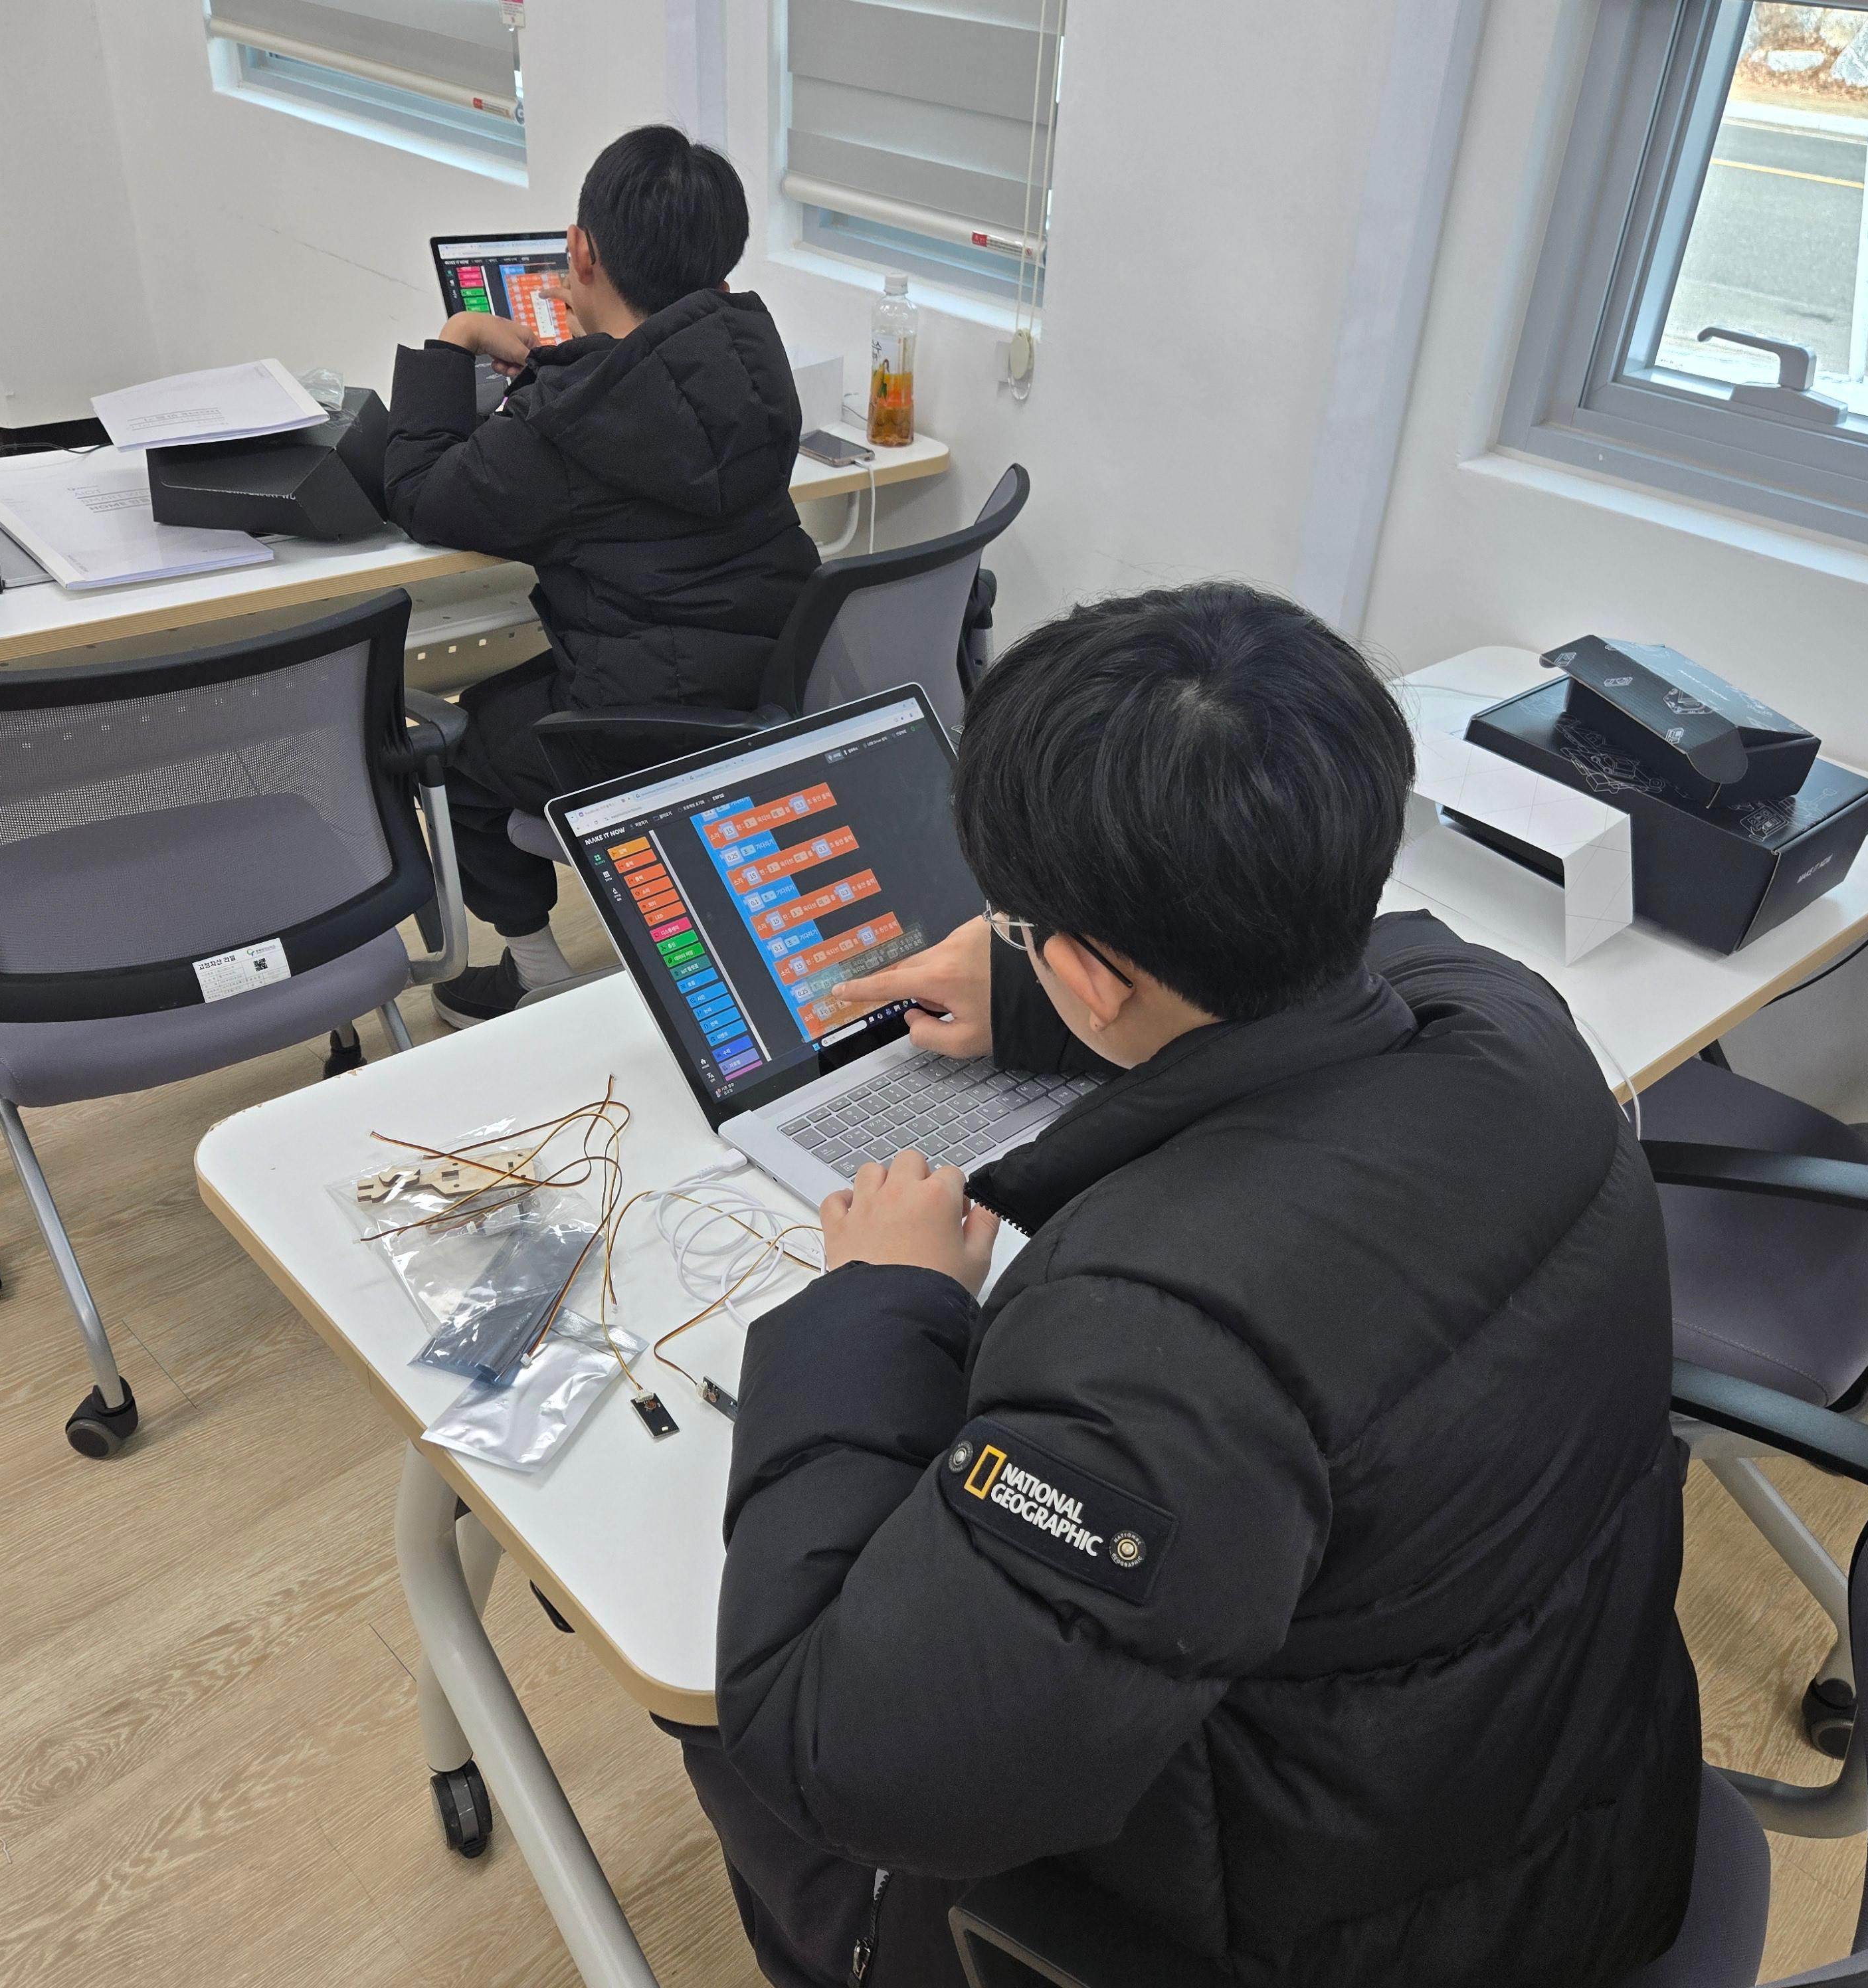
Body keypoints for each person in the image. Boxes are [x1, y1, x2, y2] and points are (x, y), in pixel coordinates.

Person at [676, 582, 1702, 1988]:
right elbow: (1374, 964)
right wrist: (1038, 989)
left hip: (1364, 1941)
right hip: (1573, 1811)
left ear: (1093, 971)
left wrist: (882, 1306)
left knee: (704, 1715)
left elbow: (851, 1760)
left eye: (1024, 935)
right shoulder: (1510, 1020)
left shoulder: (1154, 1341)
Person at [383, 126, 818, 1027]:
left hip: (645, 722)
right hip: (775, 689)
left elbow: (420, 493)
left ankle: (538, 971)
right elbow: (642, 400)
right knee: (514, 696)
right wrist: (558, 367)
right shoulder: (756, 365)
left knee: (458, 741)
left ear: (580, 253)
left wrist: (458, 338)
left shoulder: (561, 428)